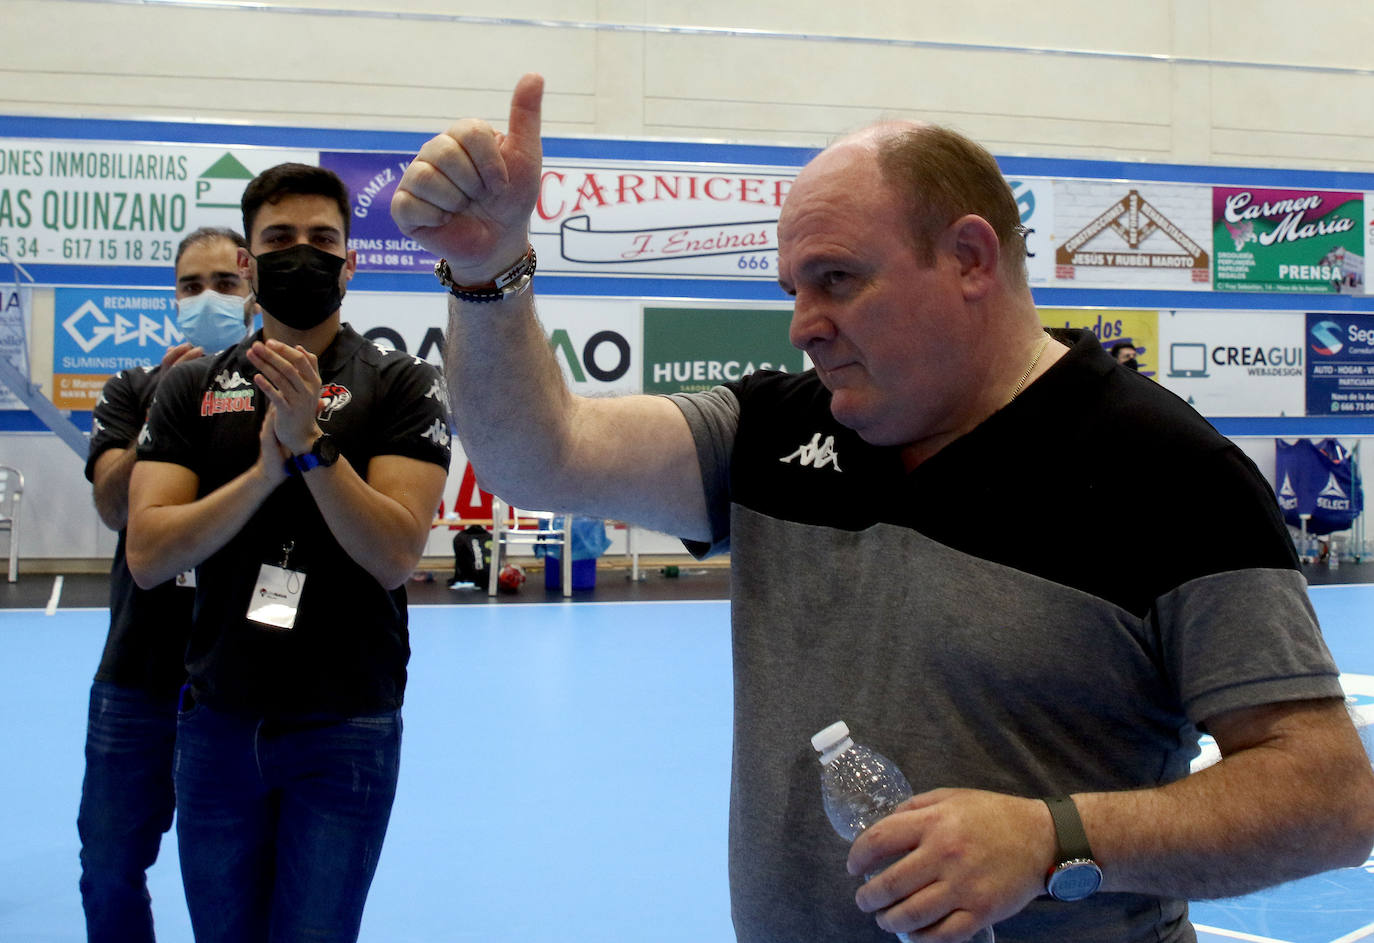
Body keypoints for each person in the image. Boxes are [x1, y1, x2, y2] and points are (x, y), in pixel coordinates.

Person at [391, 76, 1374, 942]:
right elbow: (542, 453)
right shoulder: (773, 433)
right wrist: (487, 272)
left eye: (838, 279)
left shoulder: (1165, 471)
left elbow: (1327, 794)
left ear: (971, 259)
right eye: (793, 288)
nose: (803, 323)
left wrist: (1053, 839)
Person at [127, 163, 451, 943]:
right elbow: (147, 552)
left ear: (351, 260)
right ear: (248, 261)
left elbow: (395, 553)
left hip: (345, 724)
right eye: (278, 239)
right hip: (218, 723)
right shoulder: (193, 389)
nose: (300, 253)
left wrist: (310, 446)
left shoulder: (403, 385)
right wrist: (263, 472)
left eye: (322, 239)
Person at [79, 225, 252, 943]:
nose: (207, 298)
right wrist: (160, 419)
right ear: (172, 298)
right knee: (110, 866)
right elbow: (116, 507)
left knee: (230, 876)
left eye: (224, 283)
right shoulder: (130, 389)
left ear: (250, 293)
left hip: (240, 677)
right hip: (139, 671)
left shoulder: (277, 391)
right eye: (191, 286)